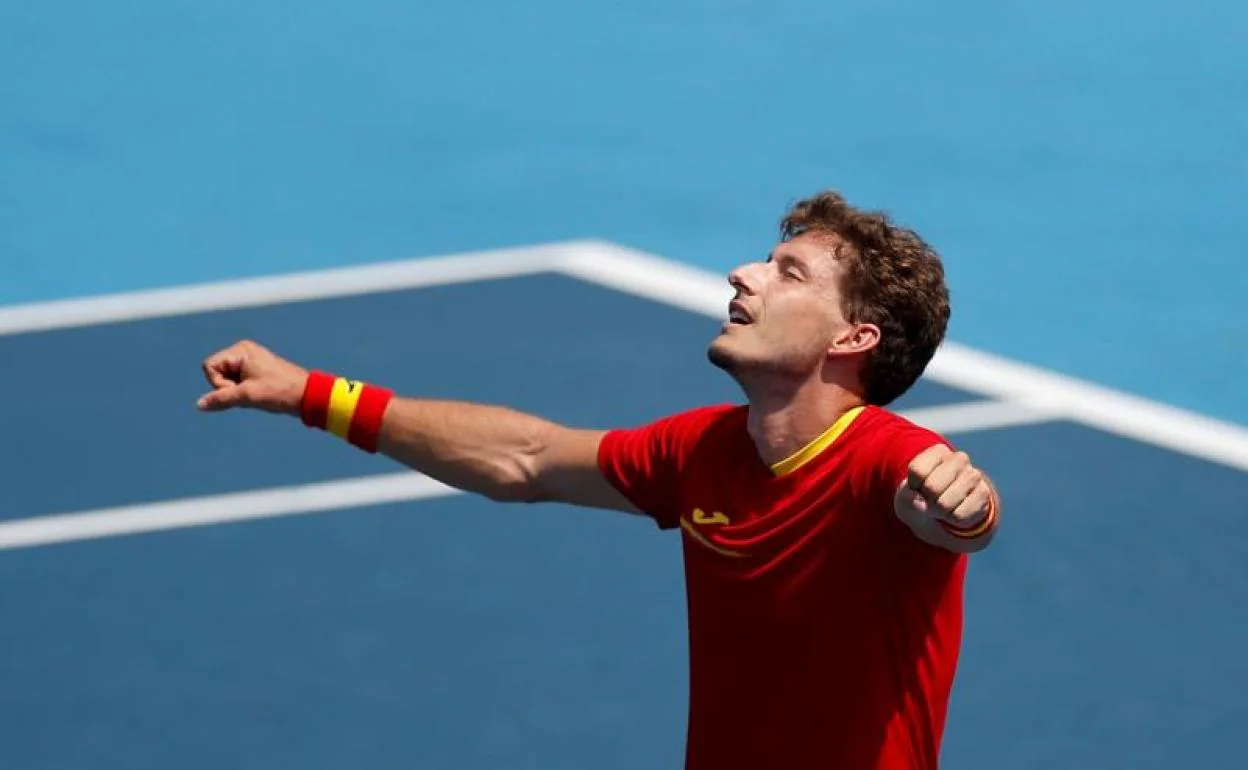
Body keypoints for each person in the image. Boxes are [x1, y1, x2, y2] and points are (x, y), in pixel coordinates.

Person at [197, 190, 1000, 770]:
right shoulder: (702, 450)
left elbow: (956, 514)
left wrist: (963, 509)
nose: (742, 275)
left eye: (786, 273)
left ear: (853, 336)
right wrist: (313, 395)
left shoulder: (887, 461)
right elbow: (528, 458)